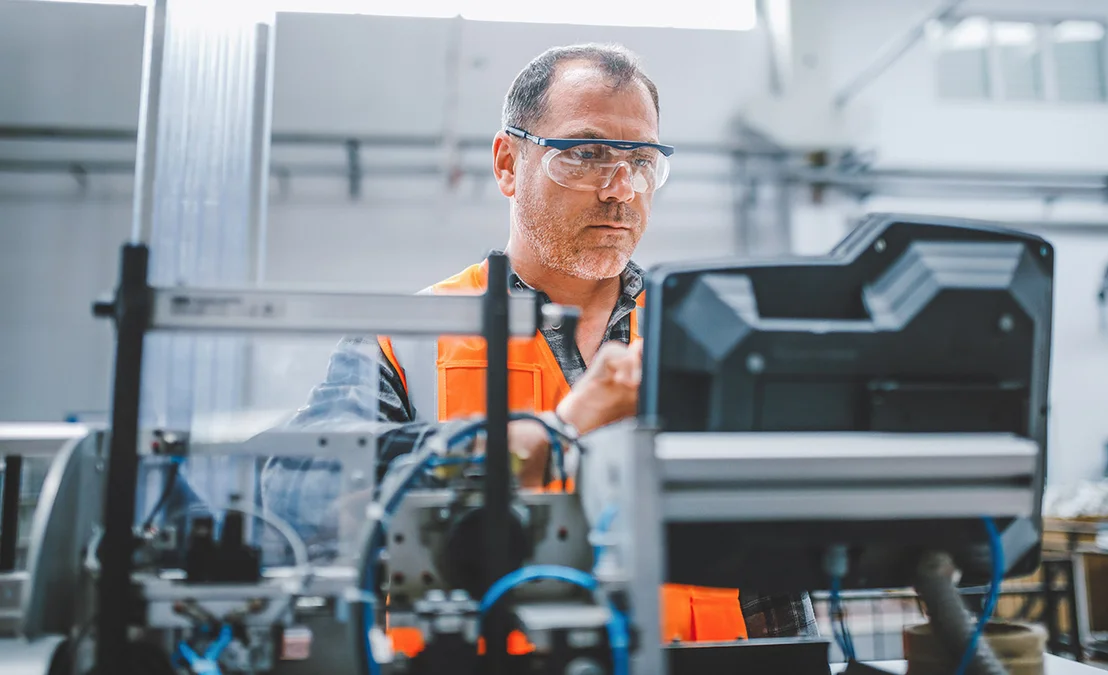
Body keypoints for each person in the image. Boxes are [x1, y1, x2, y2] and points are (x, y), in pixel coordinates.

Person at [265, 43, 817, 644]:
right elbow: (297, 501)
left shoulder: (715, 340)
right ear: (507, 163)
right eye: (584, 154)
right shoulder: (409, 335)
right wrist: (544, 434)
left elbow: (772, 585)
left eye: (641, 160)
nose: (621, 189)